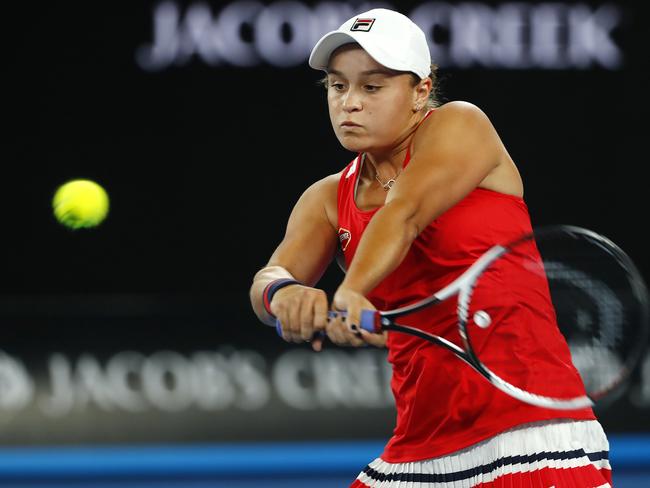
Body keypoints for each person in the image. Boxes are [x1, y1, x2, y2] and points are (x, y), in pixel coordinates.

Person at [249, 8, 612, 488]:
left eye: (371, 87)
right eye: (338, 87)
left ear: (421, 90)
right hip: (417, 451)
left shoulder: (462, 125)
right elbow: (269, 277)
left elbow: (405, 214)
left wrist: (351, 290)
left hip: (531, 435)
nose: (349, 104)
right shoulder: (325, 199)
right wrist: (285, 296)